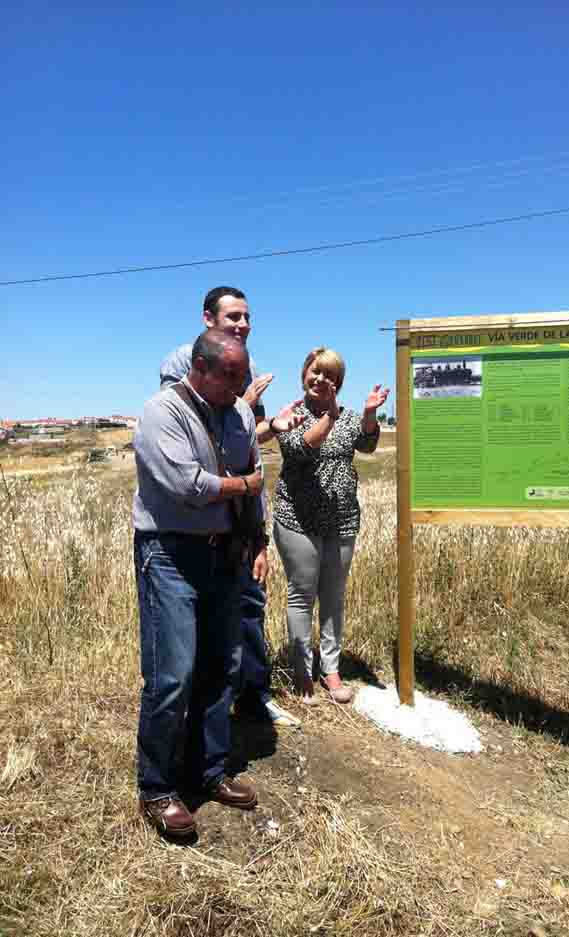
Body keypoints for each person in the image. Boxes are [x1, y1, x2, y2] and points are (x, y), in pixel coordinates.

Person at [134, 329, 264, 839]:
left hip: (226, 554)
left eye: (243, 375)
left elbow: (257, 481)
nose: (240, 385)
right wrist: (243, 485)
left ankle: (209, 771)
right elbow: (187, 486)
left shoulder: (241, 414)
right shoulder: (161, 412)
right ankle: (157, 787)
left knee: (221, 667)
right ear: (201, 368)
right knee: (172, 675)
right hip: (170, 554)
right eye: (230, 376)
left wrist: (259, 540)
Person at [160, 286, 302, 729]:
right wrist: (245, 407)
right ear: (207, 318)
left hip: (242, 510)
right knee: (204, 621)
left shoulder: (249, 363)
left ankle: (254, 696)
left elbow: (243, 434)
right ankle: (200, 713)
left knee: (249, 603)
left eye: (246, 317)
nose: (243, 325)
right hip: (203, 516)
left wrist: (272, 426)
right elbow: (194, 434)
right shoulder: (182, 361)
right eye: (233, 317)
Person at [273, 347, 390, 704]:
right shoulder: (291, 417)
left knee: (334, 596)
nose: (321, 379)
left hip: (342, 519)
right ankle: (301, 669)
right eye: (315, 372)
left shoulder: (350, 416)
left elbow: (368, 444)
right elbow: (301, 450)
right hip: (297, 519)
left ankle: (331, 668)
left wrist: (369, 414)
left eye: (330, 376)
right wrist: (332, 417)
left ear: (338, 384)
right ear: (304, 374)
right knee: (302, 593)